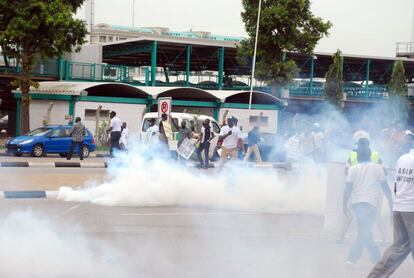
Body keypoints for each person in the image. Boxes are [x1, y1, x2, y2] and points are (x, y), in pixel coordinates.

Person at [368, 134, 414, 278]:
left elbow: (396, 185)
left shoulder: (402, 159)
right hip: (412, 209)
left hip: (399, 206)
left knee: (398, 248)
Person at [343, 143, 393, 267]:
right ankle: (374, 259)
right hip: (371, 204)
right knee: (364, 231)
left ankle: (356, 259)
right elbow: (385, 186)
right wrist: (390, 199)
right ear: (370, 156)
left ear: (358, 157)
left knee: (364, 231)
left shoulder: (353, 169)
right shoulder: (377, 168)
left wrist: (343, 204)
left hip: (357, 204)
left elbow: (347, 189)